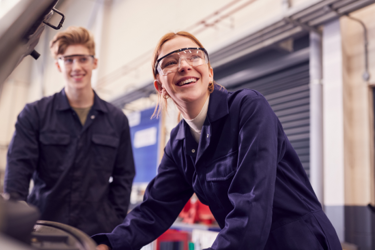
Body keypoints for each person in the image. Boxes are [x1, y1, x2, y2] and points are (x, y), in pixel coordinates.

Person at [93, 31, 341, 250]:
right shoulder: (178, 143)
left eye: (194, 56)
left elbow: (252, 203)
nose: (184, 65)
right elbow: (154, 210)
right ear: (161, 87)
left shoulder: (248, 108)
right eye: (170, 62)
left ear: (209, 74)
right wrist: (109, 244)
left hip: (300, 240)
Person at [4, 26, 135, 236]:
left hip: (96, 235)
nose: (76, 67)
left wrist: (114, 220)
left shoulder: (116, 119)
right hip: (43, 230)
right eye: (68, 60)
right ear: (58, 65)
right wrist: (17, 224)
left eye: (83, 59)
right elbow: (17, 174)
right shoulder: (34, 114)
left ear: (94, 62)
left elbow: (124, 176)